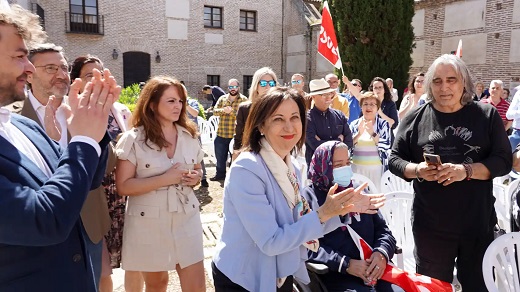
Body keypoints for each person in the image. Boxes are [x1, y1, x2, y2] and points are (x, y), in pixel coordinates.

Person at [211, 87, 385, 291]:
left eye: (295, 117)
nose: (289, 127)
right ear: (260, 126)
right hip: (244, 276)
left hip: (281, 270)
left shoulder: (291, 166)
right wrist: (323, 213)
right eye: (278, 119)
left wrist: (341, 211)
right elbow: (271, 240)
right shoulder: (247, 169)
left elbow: (300, 224)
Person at [0, 4, 118, 291]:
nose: (28, 67)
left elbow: (85, 180)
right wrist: (83, 140)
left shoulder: (21, 126)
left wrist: (95, 130)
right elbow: (44, 220)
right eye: (19, 56)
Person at [388, 54, 512, 291]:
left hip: (477, 224)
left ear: (463, 82)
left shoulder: (485, 115)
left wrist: (466, 170)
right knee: (433, 287)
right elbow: (394, 159)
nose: (444, 87)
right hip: (431, 227)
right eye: (437, 81)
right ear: (429, 85)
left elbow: (503, 160)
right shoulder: (416, 118)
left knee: (479, 285)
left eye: (451, 80)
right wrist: (418, 170)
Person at [115, 76, 206, 292]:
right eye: (171, 101)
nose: (178, 106)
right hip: (148, 223)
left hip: (187, 216)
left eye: (180, 101)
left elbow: (198, 169)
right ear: (153, 104)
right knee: (157, 285)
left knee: (196, 286)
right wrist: (165, 179)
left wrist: (196, 178)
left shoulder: (189, 135)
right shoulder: (133, 139)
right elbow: (123, 186)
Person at [69, 55, 144, 292]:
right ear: (77, 81)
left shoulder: (120, 109)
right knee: (101, 266)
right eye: (89, 75)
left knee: (134, 256)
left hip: (122, 191)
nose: (96, 79)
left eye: (100, 73)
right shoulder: (71, 111)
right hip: (94, 193)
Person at [303, 141, 397, 292]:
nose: (345, 169)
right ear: (323, 166)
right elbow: (308, 247)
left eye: (347, 162)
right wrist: (346, 264)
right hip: (337, 275)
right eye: (338, 165)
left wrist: (381, 253)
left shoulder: (359, 191)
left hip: (377, 270)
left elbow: (384, 232)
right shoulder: (308, 199)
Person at [306, 78, 353, 165]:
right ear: (313, 97)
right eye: (324, 95)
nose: (328, 98)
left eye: (330, 94)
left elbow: (349, 142)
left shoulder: (339, 115)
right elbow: (314, 145)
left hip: (339, 168)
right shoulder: (307, 119)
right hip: (318, 169)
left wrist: (323, 143)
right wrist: (339, 140)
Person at [349, 92, 391, 188]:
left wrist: (372, 133)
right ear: (361, 107)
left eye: (372, 104)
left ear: (377, 108)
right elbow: (348, 145)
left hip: (376, 169)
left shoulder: (383, 124)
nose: (369, 107)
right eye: (365, 104)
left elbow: (386, 145)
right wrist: (359, 134)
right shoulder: (354, 124)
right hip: (356, 169)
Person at [233, 67, 278, 156]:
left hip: (275, 154)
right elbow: (238, 137)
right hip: (251, 155)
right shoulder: (245, 109)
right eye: (263, 83)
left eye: (271, 83)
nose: (268, 86)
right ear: (256, 86)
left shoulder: (279, 108)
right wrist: (235, 154)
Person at [211, 78, 248, 180]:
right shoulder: (222, 98)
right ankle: (220, 175)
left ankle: (233, 177)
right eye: (231, 87)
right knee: (220, 157)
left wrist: (231, 112)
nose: (233, 89)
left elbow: (245, 116)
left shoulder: (244, 100)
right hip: (221, 133)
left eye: (235, 87)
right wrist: (224, 110)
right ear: (228, 88)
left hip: (236, 135)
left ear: (239, 87)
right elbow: (214, 111)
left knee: (235, 158)